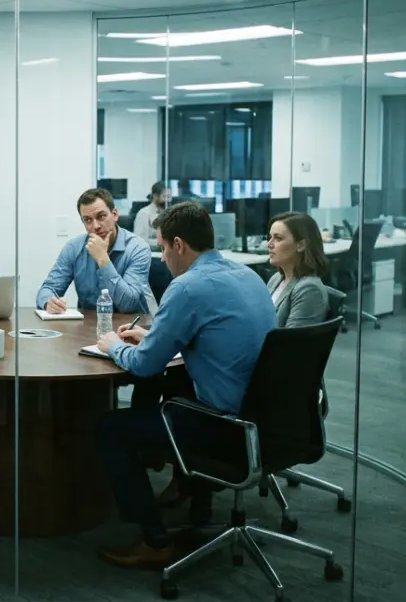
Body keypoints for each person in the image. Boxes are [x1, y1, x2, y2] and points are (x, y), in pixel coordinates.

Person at [93, 202, 276, 569]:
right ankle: (198, 508)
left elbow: (144, 366)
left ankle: (155, 541)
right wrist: (153, 334)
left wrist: (112, 344)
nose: (161, 258)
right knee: (177, 387)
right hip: (267, 419)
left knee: (109, 428)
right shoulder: (247, 276)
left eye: (161, 247)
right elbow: (214, 335)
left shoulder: (188, 287)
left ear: (179, 245)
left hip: (225, 425)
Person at [37, 188, 151, 314]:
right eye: (88, 220)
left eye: (101, 216)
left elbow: (128, 304)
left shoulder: (138, 248)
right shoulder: (74, 248)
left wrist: (102, 259)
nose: (95, 226)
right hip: (89, 327)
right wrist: (49, 302)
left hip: (130, 328)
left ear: (115, 215)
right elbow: (48, 288)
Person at [265, 212, 333, 327]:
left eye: (278, 238)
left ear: (301, 245)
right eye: (270, 237)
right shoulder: (276, 278)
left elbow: (291, 342)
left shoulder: (309, 289)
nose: (269, 244)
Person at [133, 182, 169, 246]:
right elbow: (140, 240)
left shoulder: (168, 213)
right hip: (152, 252)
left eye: (169, 196)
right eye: (165, 196)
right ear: (155, 196)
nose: (168, 200)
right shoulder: (144, 214)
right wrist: (162, 242)